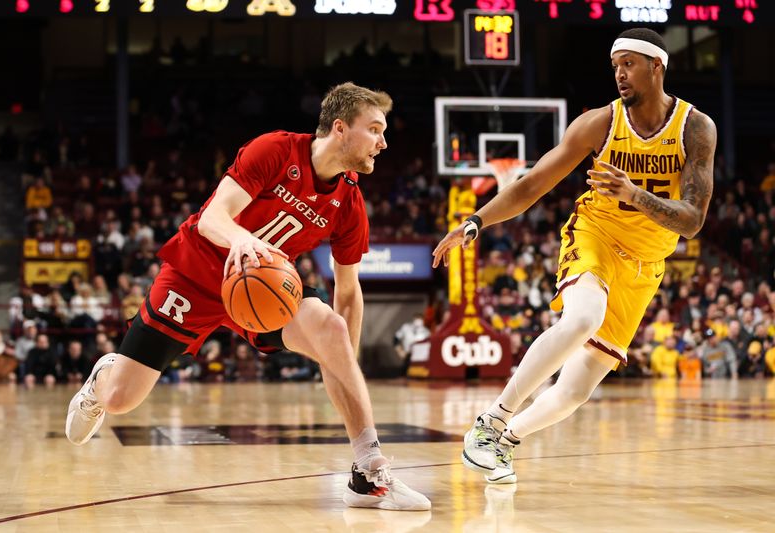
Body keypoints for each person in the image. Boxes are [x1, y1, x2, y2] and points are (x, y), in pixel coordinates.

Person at [65, 82, 430, 511]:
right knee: (120, 400)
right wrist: (240, 240)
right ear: (340, 129)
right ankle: (101, 380)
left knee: (331, 328)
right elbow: (213, 218)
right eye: (375, 130)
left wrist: (343, 361)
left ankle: (368, 474)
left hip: (264, 290)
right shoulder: (275, 150)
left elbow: (348, 291)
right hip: (196, 276)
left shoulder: (349, 203)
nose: (383, 143)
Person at [432, 28, 716, 485]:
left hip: (646, 263)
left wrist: (634, 193)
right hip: (597, 235)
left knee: (574, 392)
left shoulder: (695, 128)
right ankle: (491, 421)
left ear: (656, 66)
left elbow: (692, 220)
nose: (620, 74)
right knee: (582, 317)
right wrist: (474, 222)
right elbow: (528, 186)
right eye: (616, 66)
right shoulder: (598, 124)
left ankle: (504, 443)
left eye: (629, 64)